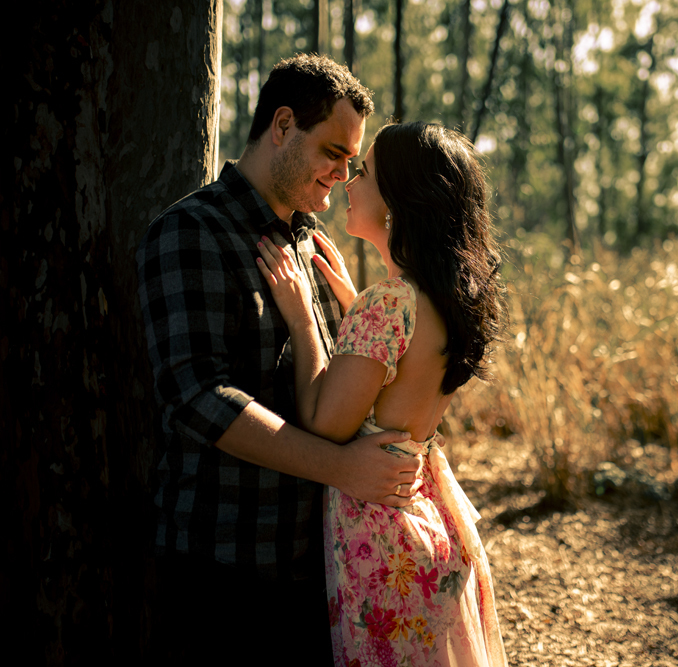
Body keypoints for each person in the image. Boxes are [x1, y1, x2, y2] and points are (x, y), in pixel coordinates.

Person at [136, 55, 421, 663]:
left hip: (311, 566)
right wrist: (342, 468)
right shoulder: (189, 233)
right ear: (283, 125)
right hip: (222, 568)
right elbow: (198, 399)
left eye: (352, 162)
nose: (344, 176)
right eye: (335, 153)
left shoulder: (310, 242)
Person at [255, 121, 508, 665]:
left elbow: (326, 423)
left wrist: (303, 322)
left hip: (382, 538)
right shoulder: (439, 300)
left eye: (364, 171)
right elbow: (398, 376)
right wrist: (355, 309)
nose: (347, 179)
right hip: (428, 523)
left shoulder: (388, 304)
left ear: (397, 201)